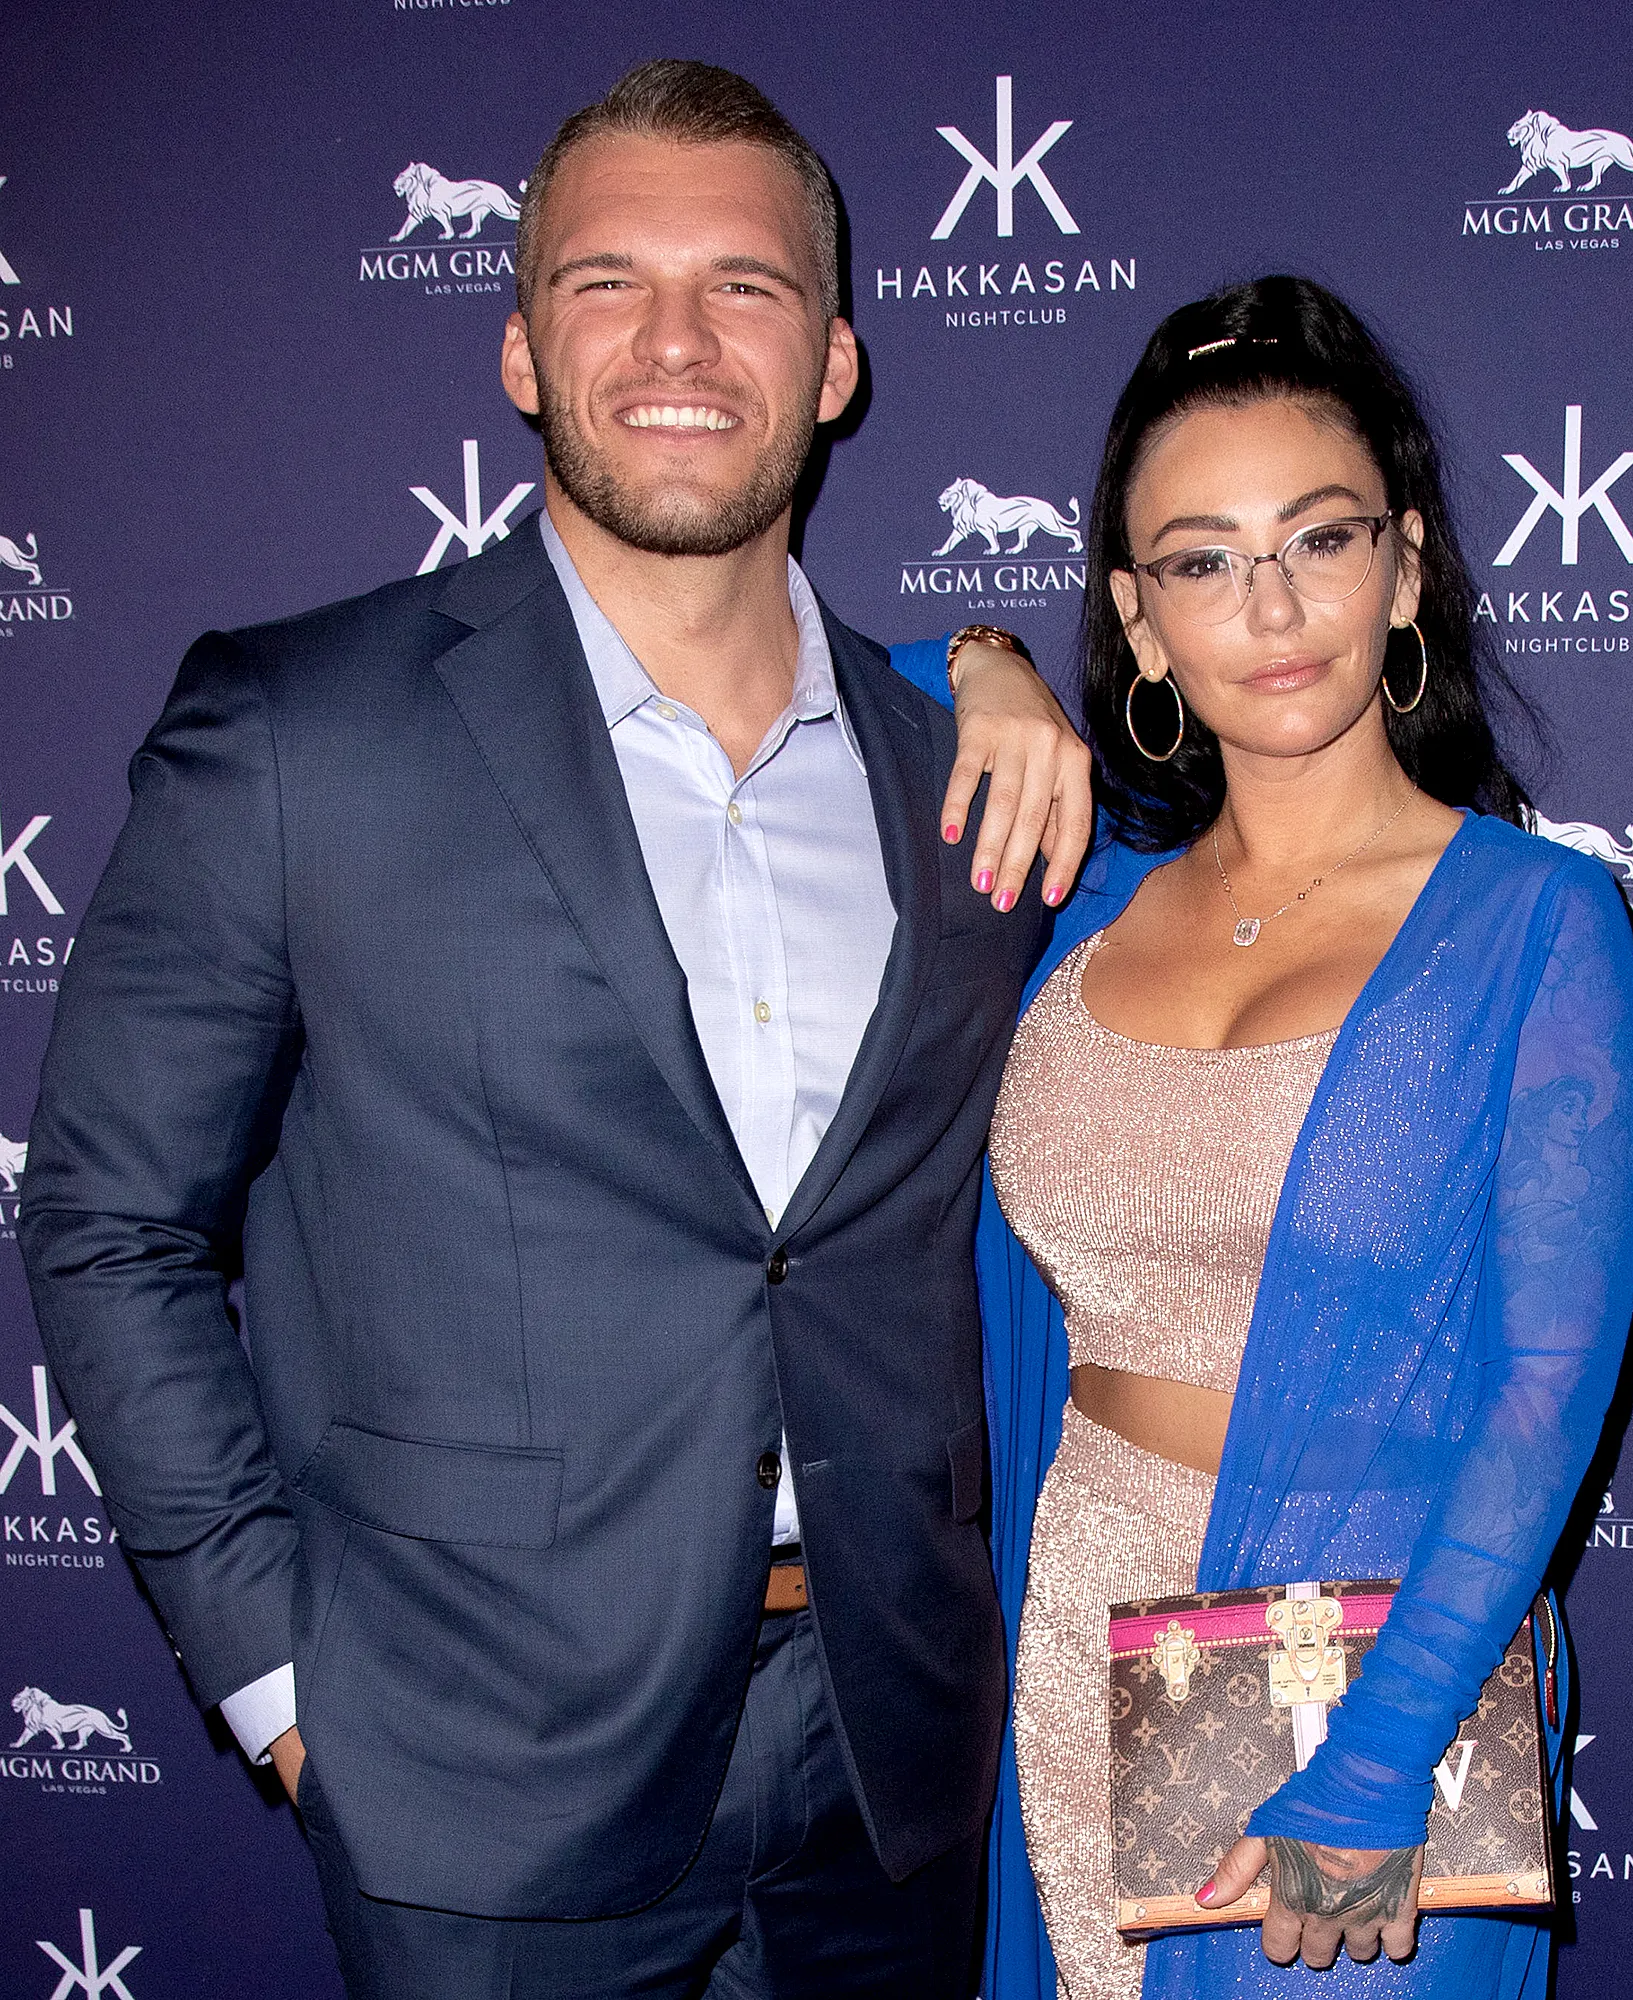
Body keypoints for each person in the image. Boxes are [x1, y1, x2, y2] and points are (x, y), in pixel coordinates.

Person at [17, 60, 1093, 2000]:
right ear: (522, 350)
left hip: (891, 1757)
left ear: (836, 363)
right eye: (609, 282)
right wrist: (281, 1679)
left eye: (744, 285)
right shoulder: (298, 730)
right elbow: (109, 1219)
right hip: (469, 1772)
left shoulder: (964, 777)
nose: (677, 340)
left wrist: (992, 654)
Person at [886, 276, 1633, 1999]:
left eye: (1319, 538)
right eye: (1200, 560)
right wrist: (985, 665)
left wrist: (1379, 1758)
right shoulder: (1080, 895)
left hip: (1372, 1661)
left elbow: (1544, 1389)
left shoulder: (1531, 922)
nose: (1270, 604)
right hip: (1074, 1612)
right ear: (1140, 620)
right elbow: (822, 678)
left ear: (1404, 569)